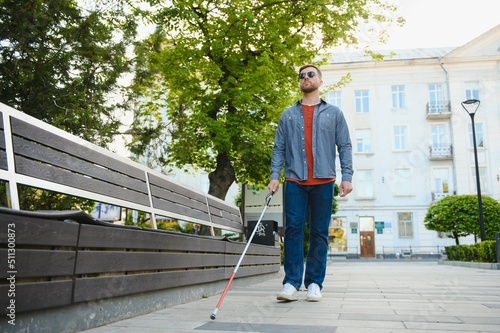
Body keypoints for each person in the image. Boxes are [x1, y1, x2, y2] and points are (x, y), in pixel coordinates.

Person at [268, 64, 353, 302]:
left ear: (320, 81)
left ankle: (315, 282)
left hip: (324, 180)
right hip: (295, 179)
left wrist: (347, 176)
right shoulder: (288, 115)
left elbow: (344, 145)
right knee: (293, 230)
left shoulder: (334, 113)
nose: (306, 78)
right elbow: (279, 148)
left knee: (319, 233)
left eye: (311, 74)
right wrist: (275, 176)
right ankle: (292, 283)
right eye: (302, 76)